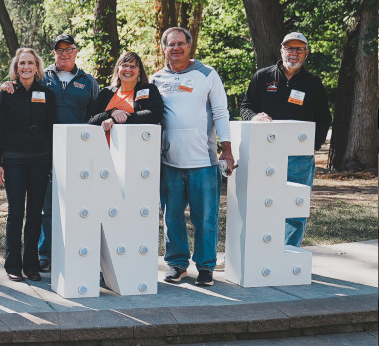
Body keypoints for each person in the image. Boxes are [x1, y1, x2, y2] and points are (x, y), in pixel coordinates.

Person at [0, 33, 99, 272]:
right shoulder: (44, 80)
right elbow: (8, 117)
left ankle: (76, 253)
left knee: (77, 206)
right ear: (53, 54)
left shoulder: (88, 81)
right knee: (40, 209)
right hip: (31, 156)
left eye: (69, 49)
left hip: (73, 154)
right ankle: (40, 255)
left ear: (76, 51)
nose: (64, 53)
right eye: (59, 50)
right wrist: (6, 84)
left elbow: (97, 114)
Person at [150, 27, 234, 287]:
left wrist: (227, 149)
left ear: (189, 46)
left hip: (203, 163)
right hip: (169, 163)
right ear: (163, 48)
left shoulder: (207, 74)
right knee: (171, 217)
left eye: (180, 44)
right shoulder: (155, 79)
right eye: (170, 44)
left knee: (205, 219)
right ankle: (177, 265)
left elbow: (221, 112)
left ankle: (206, 268)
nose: (175, 48)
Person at [239, 32, 331, 247]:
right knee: (262, 202)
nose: (294, 53)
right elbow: (246, 107)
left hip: (298, 157)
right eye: (290, 48)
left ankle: (288, 253)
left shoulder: (313, 83)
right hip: (265, 153)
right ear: (281, 51)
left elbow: (324, 118)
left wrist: (313, 147)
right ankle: (260, 249)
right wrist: (254, 117)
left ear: (306, 54)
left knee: (294, 206)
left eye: (299, 49)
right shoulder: (263, 77)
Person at [0, 48, 56, 282]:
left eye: (30, 63)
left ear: (37, 66)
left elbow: (51, 130)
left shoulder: (47, 93)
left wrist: (51, 162)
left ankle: (31, 264)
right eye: (22, 63)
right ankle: (12, 265)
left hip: (40, 160)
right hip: (13, 160)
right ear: (16, 68)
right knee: (15, 212)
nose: (26, 67)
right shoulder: (7, 92)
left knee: (35, 214)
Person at [87, 51, 164, 141]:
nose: (128, 69)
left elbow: (155, 114)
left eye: (133, 66)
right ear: (118, 69)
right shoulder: (106, 92)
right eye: (124, 65)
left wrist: (115, 120)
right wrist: (110, 113)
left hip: (136, 149)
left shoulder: (148, 89)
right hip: (105, 151)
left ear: (139, 71)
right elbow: (90, 120)